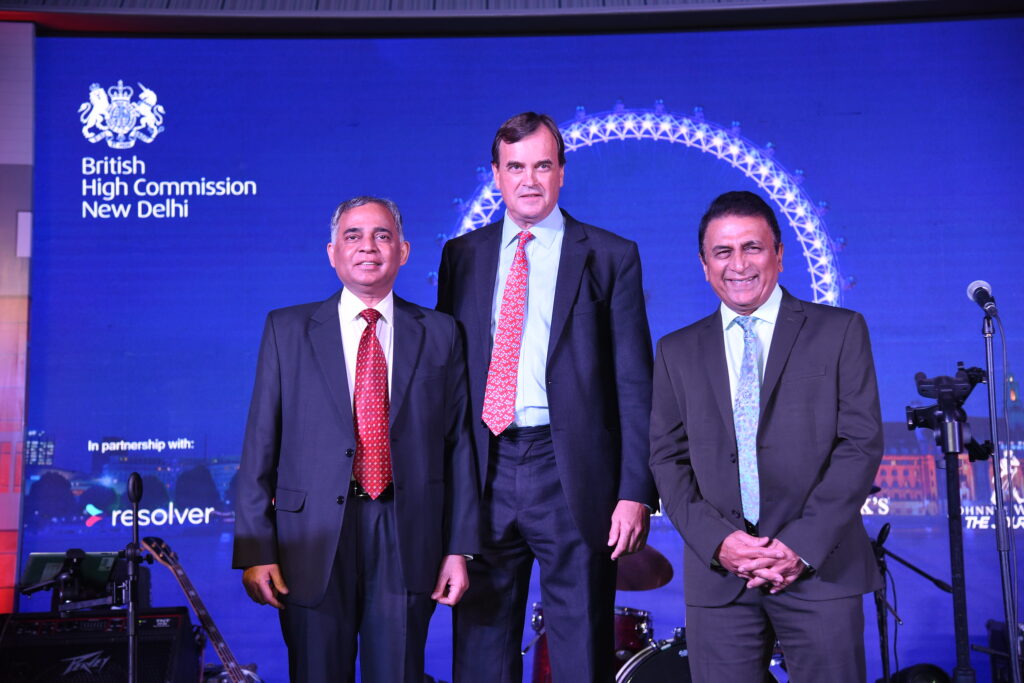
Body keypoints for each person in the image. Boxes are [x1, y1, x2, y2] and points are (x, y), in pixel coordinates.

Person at [437, 112, 658, 682]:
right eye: (515, 167)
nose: (529, 179)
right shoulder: (460, 257)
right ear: (496, 175)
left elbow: (635, 384)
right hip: (485, 471)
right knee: (481, 653)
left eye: (541, 165)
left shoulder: (610, 255)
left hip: (572, 477)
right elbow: (448, 384)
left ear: (561, 172)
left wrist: (636, 492)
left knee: (581, 651)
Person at [233, 196, 479, 682]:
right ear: (331, 252)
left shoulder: (442, 333)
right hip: (311, 540)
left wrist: (459, 548)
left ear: (404, 251)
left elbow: (460, 448)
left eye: (382, 235)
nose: (368, 247)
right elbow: (260, 443)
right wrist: (256, 547)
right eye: (353, 236)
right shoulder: (287, 329)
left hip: (407, 536)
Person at [649, 190, 883, 682]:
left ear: (779, 253)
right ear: (704, 264)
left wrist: (799, 545)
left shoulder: (839, 332)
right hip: (720, 581)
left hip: (821, 570)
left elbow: (859, 444)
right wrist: (720, 543)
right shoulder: (676, 351)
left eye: (752, 248)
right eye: (723, 252)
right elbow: (667, 460)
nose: (739, 265)